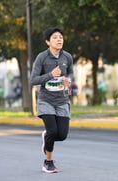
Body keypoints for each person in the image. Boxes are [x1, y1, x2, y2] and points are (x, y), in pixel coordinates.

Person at [30, 27, 73, 173]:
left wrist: (68, 81)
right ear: (48, 41)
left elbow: (70, 74)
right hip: (46, 100)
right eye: (55, 37)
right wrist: (50, 75)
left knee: (61, 135)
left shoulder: (67, 57)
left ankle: (46, 136)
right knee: (52, 131)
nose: (59, 39)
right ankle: (48, 163)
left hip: (62, 100)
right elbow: (33, 80)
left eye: (61, 37)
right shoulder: (41, 57)